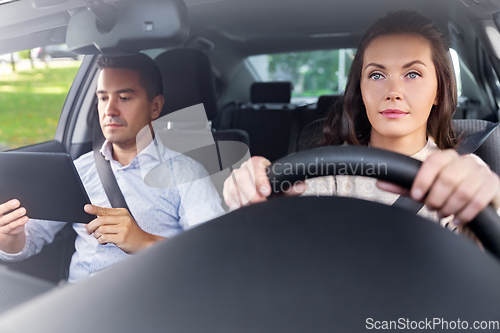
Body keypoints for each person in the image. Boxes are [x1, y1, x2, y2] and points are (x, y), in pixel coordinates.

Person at [223, 10, 500, 237]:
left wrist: (488, 209)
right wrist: (254, 192)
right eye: (377, 75)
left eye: (413, 74)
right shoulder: (327, 173)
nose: (393, 91)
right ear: (361, 90)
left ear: (440, 90)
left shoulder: (458, 176)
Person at [0, 53, 224, 283]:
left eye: (124, 98)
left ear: (155, 107)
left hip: (148, 304)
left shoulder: (186, 173)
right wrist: (10, 236)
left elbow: (211, 257)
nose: (110, 111)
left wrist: (144, 242)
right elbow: (30, 240)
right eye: (103, 98)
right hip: (75, 302)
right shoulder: (79, 169)